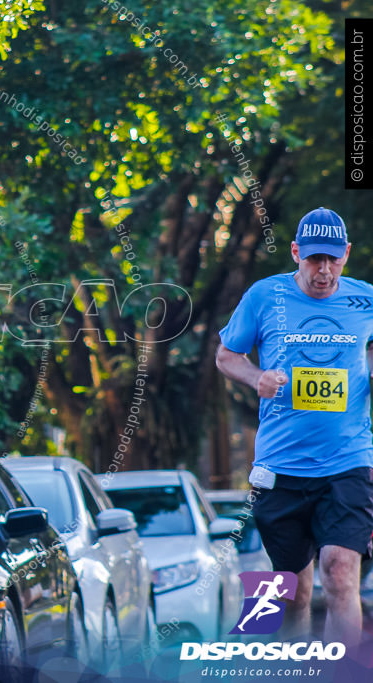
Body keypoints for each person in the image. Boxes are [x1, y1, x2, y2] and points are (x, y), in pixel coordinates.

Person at [215, 207, 373, 649]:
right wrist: (256, 379)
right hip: (281, 467)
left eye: (333, 260)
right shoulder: (265, 296)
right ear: (295, 253)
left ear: (346, 255)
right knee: (293, 593)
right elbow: (227, 357)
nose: (323, 271)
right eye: (313, 259)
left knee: (341, 573)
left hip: (348, 462)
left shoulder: (367, 300)